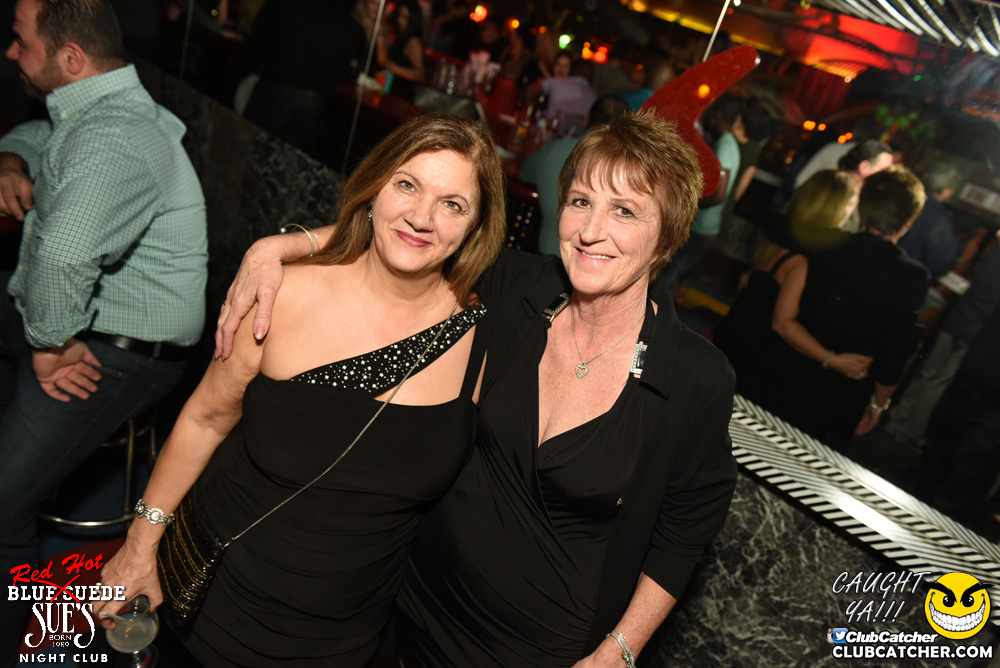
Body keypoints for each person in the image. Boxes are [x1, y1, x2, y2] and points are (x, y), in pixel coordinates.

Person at [217, 111, 737, 666]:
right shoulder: (515, 288)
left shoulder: (692, 376)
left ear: (666, 238)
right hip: (408, 610)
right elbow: (414, 240)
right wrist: (278, 248)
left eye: (625, 211)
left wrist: (621, 649)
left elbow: (684, 533)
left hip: (545, 651)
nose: (591, 230)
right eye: (580, 201)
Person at [96, 114, 507, 667]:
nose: (421, 217)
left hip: (346, 638)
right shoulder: (282, 295)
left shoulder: (484, 337)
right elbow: (204, 419)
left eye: (452, 204)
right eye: (407, 185)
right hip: (217, 602)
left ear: (476, 226)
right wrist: (139, 545)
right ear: (375, 188)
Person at [0, 0, 207, 659]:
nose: (11, 52)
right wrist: (12, 159)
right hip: (87, 324)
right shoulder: (99, 110)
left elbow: (62, 258)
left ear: (70, 58)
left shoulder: (115, 135)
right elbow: (44, 134)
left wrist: (51, 345)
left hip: (118, 353)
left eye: (20, 40)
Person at [768, 167, 929, 446]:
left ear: (862, 207)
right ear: (908, 220)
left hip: (785, 368)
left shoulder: (826, 242)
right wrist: (879, 404)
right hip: (842, 394)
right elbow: (897, 349)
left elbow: (772, 223)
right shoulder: (912, 276)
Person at [714, 170, 867, 410]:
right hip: (752, 360)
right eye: (851, 204)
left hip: (730, 339)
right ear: (838, 208)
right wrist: (833, 360)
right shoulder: (801, 261)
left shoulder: (775, 233)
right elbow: (782, 323)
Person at [520, 94, 630, 256]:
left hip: (543, 253)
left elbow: (524, 174)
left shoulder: (553, 148)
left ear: (586, 119)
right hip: (594, 259)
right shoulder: (627, 170)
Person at [659, 94, 741, 289]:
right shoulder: (726, 142)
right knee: (669, 277)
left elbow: (719, 194)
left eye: (709, 112)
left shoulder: (725, 146)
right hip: (703, 227)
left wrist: (686, 208)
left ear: (717, 115)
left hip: (701, 228)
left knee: (667, 278)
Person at [377, 0, 424, 102]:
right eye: (399, 15)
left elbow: (420, 75)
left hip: (401, 99)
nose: (400, 20)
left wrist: (395, 68)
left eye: (405, 17)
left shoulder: (413, 41)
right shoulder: (402, 36)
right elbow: (384, 61)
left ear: (413, 20)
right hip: (393, 95)